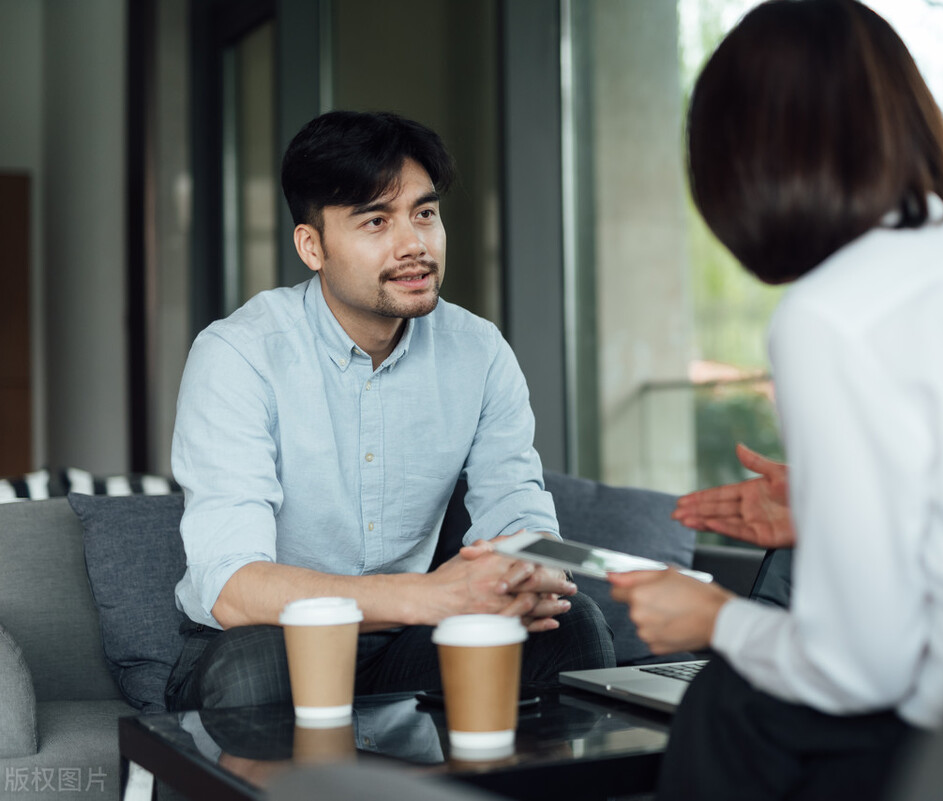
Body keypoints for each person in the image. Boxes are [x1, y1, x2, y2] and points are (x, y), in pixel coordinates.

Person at [608, 2, 943, 799]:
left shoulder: (832, 313)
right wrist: (828, 509)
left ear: (738, 159)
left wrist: (709, 616)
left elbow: (855, 667)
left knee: (731, 703)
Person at [166, 110, 614, 712]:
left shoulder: (478, 351)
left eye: (424, 214)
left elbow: (514, 505)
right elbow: (233, 586)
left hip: (405, 644)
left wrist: (529, 566)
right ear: (312, 246)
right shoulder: (238, 356)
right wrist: (426, 596)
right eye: (376, 221)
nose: (415, 245)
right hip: (262, 642)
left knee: (569, 625)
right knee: (258, 670)